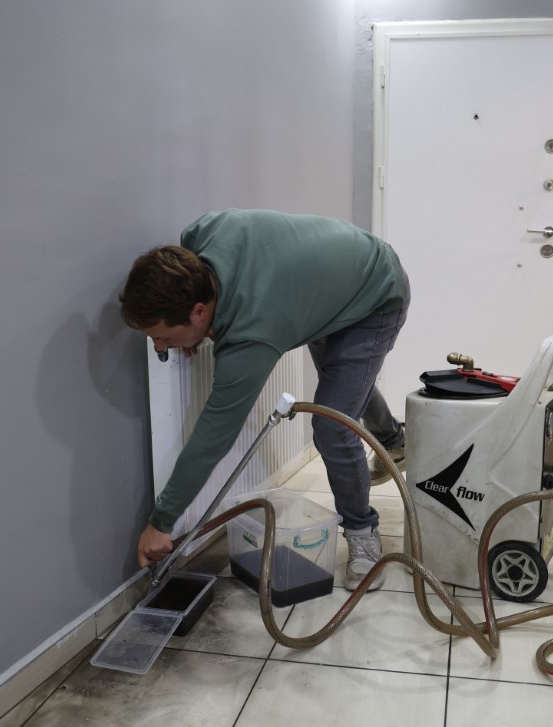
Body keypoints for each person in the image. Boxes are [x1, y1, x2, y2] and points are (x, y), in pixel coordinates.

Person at [119, 209, 409, 590]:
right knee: (345, 384)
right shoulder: (201, 236)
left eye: (164, 336)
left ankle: (362, 532)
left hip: (376, 291)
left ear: (199, 311)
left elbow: (212, 438)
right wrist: (186, 332)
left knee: (332, 424)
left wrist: (161, 521)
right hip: (330, 283)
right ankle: (393, 440)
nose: (160, 347)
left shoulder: (252, 334)